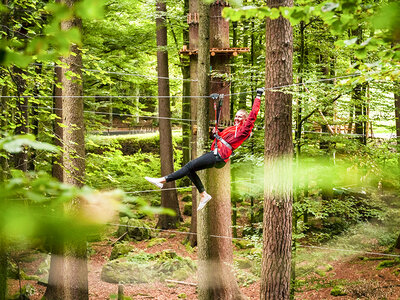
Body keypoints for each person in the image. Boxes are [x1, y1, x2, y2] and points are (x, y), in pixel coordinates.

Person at [145, 88, 264, 211]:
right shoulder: (231, 129)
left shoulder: (244, 131)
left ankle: (162, 180)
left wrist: (258, 96)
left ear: (245, 120)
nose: (237, 118)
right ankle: (203, 195)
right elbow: (221, 139)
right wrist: (215, 134)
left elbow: (253, 116)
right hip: (216, 154)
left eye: (240, 117)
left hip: (219, 156)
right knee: (190, 170)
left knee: (189, 166)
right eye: (236, 116)